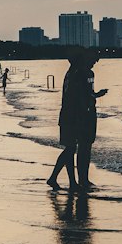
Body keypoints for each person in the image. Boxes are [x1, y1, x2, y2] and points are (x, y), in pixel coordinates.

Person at [47, 51, 107, 192]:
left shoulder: (71, 74)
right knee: (77, 149)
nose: (94, 63)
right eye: (93, 60)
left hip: (69, 116)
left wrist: (95, 95)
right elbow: (83, 97)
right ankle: (73, 180)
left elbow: (83, 94)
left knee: (71, 149)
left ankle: (73, 181)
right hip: (78, 117)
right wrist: (91, 103)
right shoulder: (82, 74)